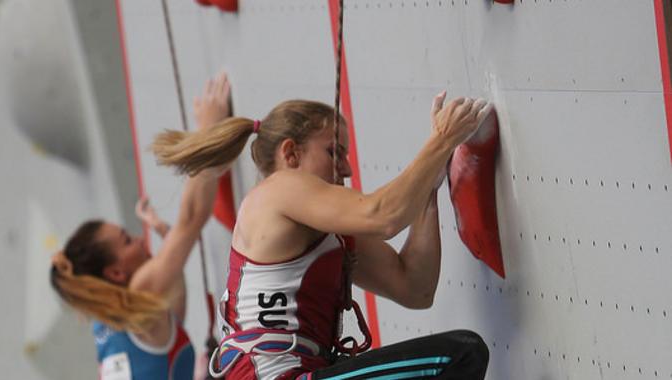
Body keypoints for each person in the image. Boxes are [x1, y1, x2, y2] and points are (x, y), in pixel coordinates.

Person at [152, 92, 492, 379]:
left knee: (457, 357)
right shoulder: (280, 190)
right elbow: (384, 215)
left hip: (299, 370)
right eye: (334, 152)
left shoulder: (324, 231)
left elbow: (414, 288)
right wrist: (442, 139)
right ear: (290, 153)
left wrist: (427, 193)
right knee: (459, 356)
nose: (346, 168)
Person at [50, 73, 231, 380]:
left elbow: (173, 303)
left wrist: (166, 238)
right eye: (126, 240)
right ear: (115, 273)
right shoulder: (136, 296)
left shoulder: (109, 316)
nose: (137, 239)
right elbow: (191, 217)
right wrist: (208, 130)